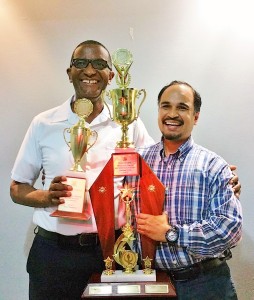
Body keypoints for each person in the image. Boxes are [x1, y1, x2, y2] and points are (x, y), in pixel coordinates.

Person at [10, 40, 154, 300]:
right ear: (69, 73)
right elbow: (17, 188)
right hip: (55, 255)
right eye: (80, 63)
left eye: (99, 64)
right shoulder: (44, 123)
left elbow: (160, 169)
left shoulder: (128, 122)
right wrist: (46, 196)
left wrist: (220, 178)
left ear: (111, 76)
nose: (89, 70)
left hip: (112, 252)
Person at [134, 81, 243, 300]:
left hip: (205, 284)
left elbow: (230, 228)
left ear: (195, 117)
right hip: (151, 282)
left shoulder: (213, 165)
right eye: (166, 106)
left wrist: (170, 233)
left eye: (182, 107)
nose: (172, 114)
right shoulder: (138, 161)